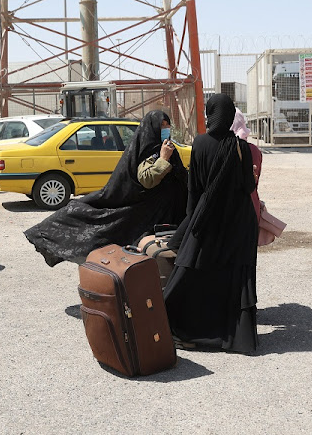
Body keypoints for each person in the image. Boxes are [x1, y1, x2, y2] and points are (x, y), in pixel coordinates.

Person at [24, 110, 187, 267]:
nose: (166, 128)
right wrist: (163, 159)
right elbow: (146, 180)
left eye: (168, 124)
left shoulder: (169, 149)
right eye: (162, 125)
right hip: (145, 211)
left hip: (168, 214)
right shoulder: (148, 152)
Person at [163, 94, 259, 354]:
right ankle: (235, 337)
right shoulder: (240, 147)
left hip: (208, 217)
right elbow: (249, 187)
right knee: (232, 277)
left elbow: (194, 188)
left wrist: (193, 220)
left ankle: (176, 324)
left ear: (210, 114)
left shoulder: (201, 143)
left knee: (193, 270)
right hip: (238, 222)